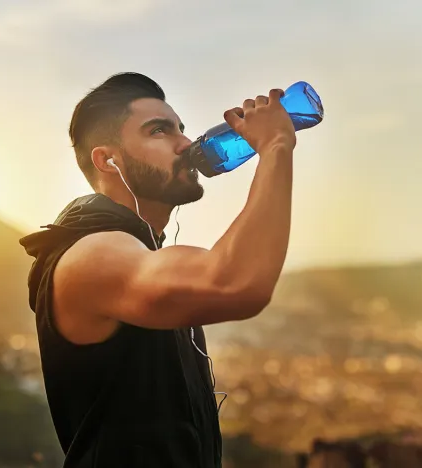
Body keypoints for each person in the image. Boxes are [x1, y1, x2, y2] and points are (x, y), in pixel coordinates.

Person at [19, 72, 297, 468]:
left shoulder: (140, 250)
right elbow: (235, 282)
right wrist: (276, 145)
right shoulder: (93, 252)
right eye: (159, 131)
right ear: (107, 159)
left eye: (181, 129)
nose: (185, 143)